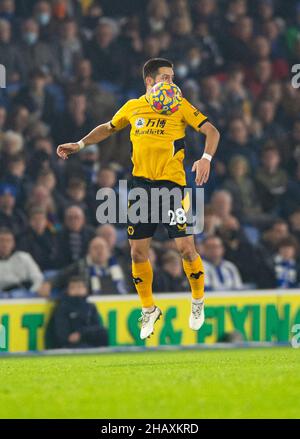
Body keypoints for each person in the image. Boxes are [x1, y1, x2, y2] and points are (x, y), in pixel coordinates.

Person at [57, 57, 220, 339]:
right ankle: (149, 309)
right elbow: (108, 127)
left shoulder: (179, 106)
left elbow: (211, 131)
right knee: (136, 252)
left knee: (185, 248)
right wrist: (81, 144)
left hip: (172, 188)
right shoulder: (134, 107)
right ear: (149, 81)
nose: (171, 82)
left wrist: (205, 158)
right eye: (165, 77)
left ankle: (197, 300)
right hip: (141, 188)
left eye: (172, 77)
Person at [46, 276, 108, 349]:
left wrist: (81, 334)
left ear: (86, 290)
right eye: (73, 288)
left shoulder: (90, 307)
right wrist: (86, 334)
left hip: (89, 343)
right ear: (67, 290)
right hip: (68, 348)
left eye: (80, 287)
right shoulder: (61, 308)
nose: (77, 290)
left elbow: (99, 330)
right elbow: (63, 336)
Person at [0, 227, 43, 297]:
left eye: (8, 241)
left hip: (25, 296)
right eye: (1, 240)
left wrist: (31, 293)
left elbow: (37, 278)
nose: (5, 244)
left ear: (13, 243)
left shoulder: (24, 257)